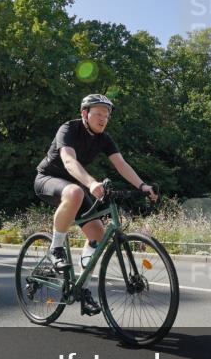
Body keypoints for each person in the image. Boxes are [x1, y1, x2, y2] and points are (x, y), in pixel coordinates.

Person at [34, 94, 158, 316]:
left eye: (107, 115)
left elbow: (121, 164)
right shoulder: (69, 129)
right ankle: (56, 249)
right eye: (98, 114)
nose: (103, 119)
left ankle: (81, 288)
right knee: (74, 192)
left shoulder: (104, 138)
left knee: (98, 236)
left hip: (78, 188)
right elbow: (69, 161)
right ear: (85, 114)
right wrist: (91, 183)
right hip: (48, 179)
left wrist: (142, 186)